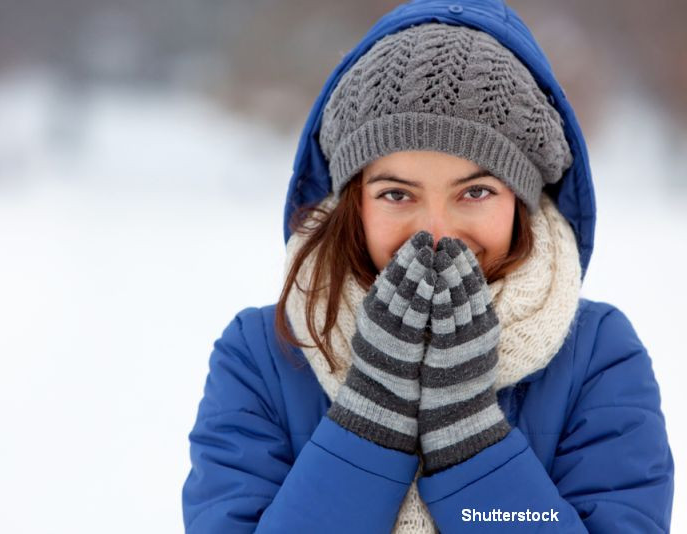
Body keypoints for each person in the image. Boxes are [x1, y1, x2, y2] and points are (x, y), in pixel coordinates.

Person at [181, 0, 675, 532]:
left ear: (522, 200)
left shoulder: (597, 356)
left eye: (476, 191)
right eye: (397, 193)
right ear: (354, 203)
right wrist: (369, 424)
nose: (435, 233)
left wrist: (471, 445)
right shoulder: (263, 356)